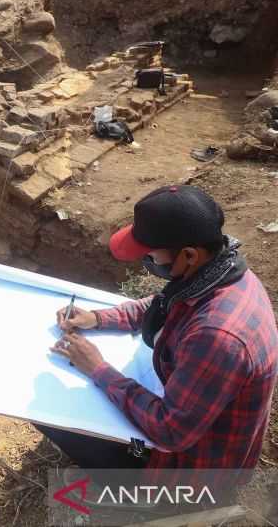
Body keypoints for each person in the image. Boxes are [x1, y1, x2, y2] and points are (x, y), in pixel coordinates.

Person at [44, 185, 278, 482]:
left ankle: (140, 498)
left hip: (192, 472)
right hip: (194, 425)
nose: (147, 264)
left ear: (189, 255)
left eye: (151, 257)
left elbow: (170, 432)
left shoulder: (218, 336)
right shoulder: (218, 272)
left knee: (55, 419)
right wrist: (96, 318)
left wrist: (98, 369)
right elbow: (164, 304)